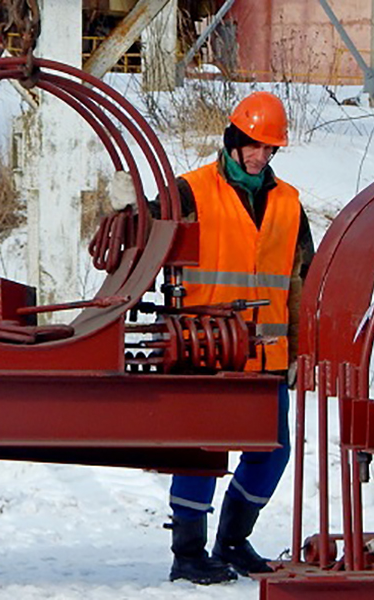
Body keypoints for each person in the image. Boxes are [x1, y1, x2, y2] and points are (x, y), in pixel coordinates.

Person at [110, 91, 315, 585]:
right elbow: (144, 235)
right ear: (234, 139)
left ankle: (232, 541)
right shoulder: (191, 191)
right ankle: (188, 552)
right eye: (255, 146)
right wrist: (126, 207)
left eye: (269, 150)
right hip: (204, 349)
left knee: (273, 451)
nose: (261, 157)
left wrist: (299, 349)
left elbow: (299, 281)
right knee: (202, 451)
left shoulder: (288, 203)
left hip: (266, 355)